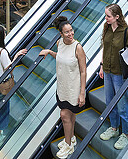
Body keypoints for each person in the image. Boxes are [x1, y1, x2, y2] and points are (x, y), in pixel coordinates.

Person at [39, 16, 87, 159]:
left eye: (71, 30)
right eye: (67, 32)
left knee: (64, 115)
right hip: (62, 88)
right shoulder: (60, 43)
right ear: (61, 34)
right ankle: (71, 138)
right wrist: (49, 52)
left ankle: (68, 145)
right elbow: (60, 57)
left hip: (74, 89)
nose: (71, 34)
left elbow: (84, 71)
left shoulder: (78, 47)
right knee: (69, 115)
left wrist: (82, 93)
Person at [97, 3, 128, 150]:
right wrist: (102, 66)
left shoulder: (127, 32)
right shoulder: (107, 28)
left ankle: (127, 133)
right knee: (110, 102)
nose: (106, 18)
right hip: (108, 71)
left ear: (117, 16)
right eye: (105, 15)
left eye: (108, 16)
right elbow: (105, 49)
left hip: (120, 73)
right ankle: (114, 128)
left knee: (123, 104)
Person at [0, 24, 27, 147]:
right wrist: (16, 56)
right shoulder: (2, 52)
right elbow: (9, 69)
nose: (5, 34)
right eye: (3, 32)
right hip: (0, 85)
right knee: (2, 110)